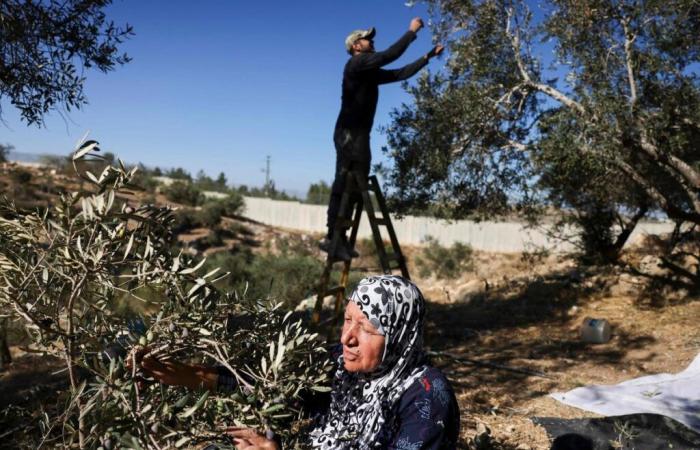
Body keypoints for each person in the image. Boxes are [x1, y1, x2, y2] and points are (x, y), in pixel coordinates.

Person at [131, 275, 460, 449]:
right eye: (347, 320)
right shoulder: (340, 363)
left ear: (398, 338)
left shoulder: (426, 396)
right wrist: (183, 374)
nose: (348, 337)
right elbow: (263, 382)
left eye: (368, 329)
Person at [321, 18, 444, 261]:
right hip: (349, 134)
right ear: (356, 46)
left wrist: (426, 58)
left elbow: (398, 73)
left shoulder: (368, 72)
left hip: (357, 134)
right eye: (367, 38)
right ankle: (331, 237)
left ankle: (340, 240)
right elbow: (390, 56)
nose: (372, 41)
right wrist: (411, 32)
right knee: (344, 182)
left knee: (355, 185)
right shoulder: (356, 64)